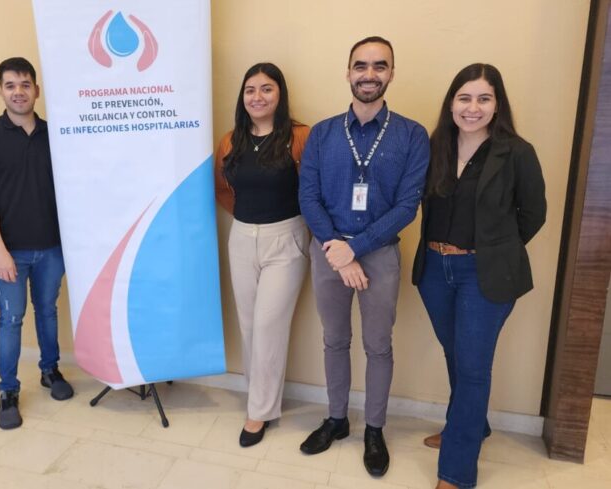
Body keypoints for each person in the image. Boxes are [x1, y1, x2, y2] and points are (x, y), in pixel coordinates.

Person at [298, 37, 429, 476]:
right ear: (348, 72)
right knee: (334, 339)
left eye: (379, 66)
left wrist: (355, 248)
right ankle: (336, 419)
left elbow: (407, 206)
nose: (369, 74)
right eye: (361, 65)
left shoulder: (412, 135)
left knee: (378, 346)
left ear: (391, 73)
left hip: (379, 254)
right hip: (327, 251)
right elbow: (309, 197)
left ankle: (374, 429)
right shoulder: (322, 133)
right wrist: (338, 250)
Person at [412, 63, 546, 489]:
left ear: (497, 105)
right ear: (451, 103)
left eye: (484, 98)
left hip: (483, 273)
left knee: (472, 368)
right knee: (456, 354)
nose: (473, 107)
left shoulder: (516, 152)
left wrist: (494, 249)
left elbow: (533, 214)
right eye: (464, 98)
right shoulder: (435, 145)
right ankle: (469, 425)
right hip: (435, 269)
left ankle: (456, 469)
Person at [0, 57, 73, 430]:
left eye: (25, 84)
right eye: (10, 85)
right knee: (11, 319)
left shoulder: (55, 133)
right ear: (0, 91)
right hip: (8, 250)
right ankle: (9, 390)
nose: (18, 92)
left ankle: (50, 370)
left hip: (52, 248)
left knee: (47, 310)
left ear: (36, 90)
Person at [214, 62, 310, 447]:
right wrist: (244, 217)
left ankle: (259, 412)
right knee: (249, 325)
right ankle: (260, 397)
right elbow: (222, 189)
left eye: (266, 89)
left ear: (280, 94)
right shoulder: (230, 141)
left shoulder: (300, 137)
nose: (257, 97)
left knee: (270, 325)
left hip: (286, 238)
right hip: (241, 237)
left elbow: (314, 188)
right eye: (250, 90)